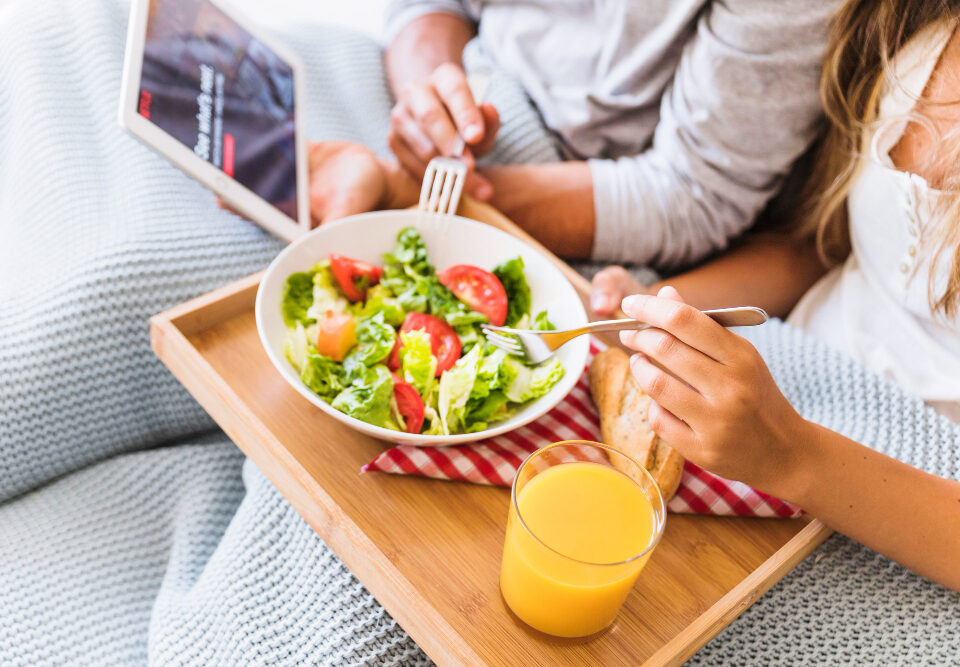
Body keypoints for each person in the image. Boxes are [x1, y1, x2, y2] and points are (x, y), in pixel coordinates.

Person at [590, 0, 960, 591]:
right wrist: (667, 308)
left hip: (893, 518)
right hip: (781, 389)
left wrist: (789, 455)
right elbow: (826, 247)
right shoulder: (912, 19)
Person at [308, 0, 837, 264]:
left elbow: (695, 194)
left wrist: (410, 198)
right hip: (404, 90)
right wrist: (427, 94)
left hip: (554, 194)